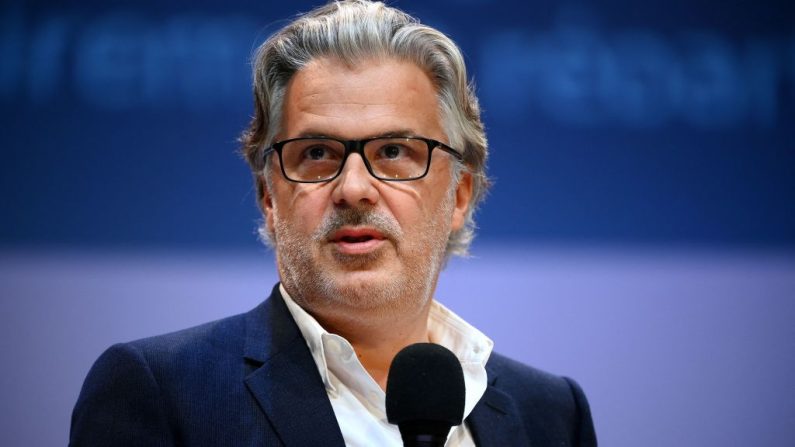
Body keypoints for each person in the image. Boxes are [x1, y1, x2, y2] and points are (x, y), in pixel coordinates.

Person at [69, 1, 597, 446]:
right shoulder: (160, 392)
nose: (352, 188)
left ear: (459, 194)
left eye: (393, 150)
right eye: (317, 152)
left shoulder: (549, 414)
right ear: (269, 197)